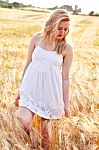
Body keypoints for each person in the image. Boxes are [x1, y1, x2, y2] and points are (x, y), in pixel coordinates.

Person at [15, 9, 73, 149]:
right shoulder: (36, 38)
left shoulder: (66, 48)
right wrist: (20, 90)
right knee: (22, 122)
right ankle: (33, 143)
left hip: (50, 95)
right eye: (59, 28)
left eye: (66, 29)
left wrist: (66, 105)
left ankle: (37, 146)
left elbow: (65, 79)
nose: (62, 32)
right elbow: (28, 63)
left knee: (46, 138)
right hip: (30, 90)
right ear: (51, 24)